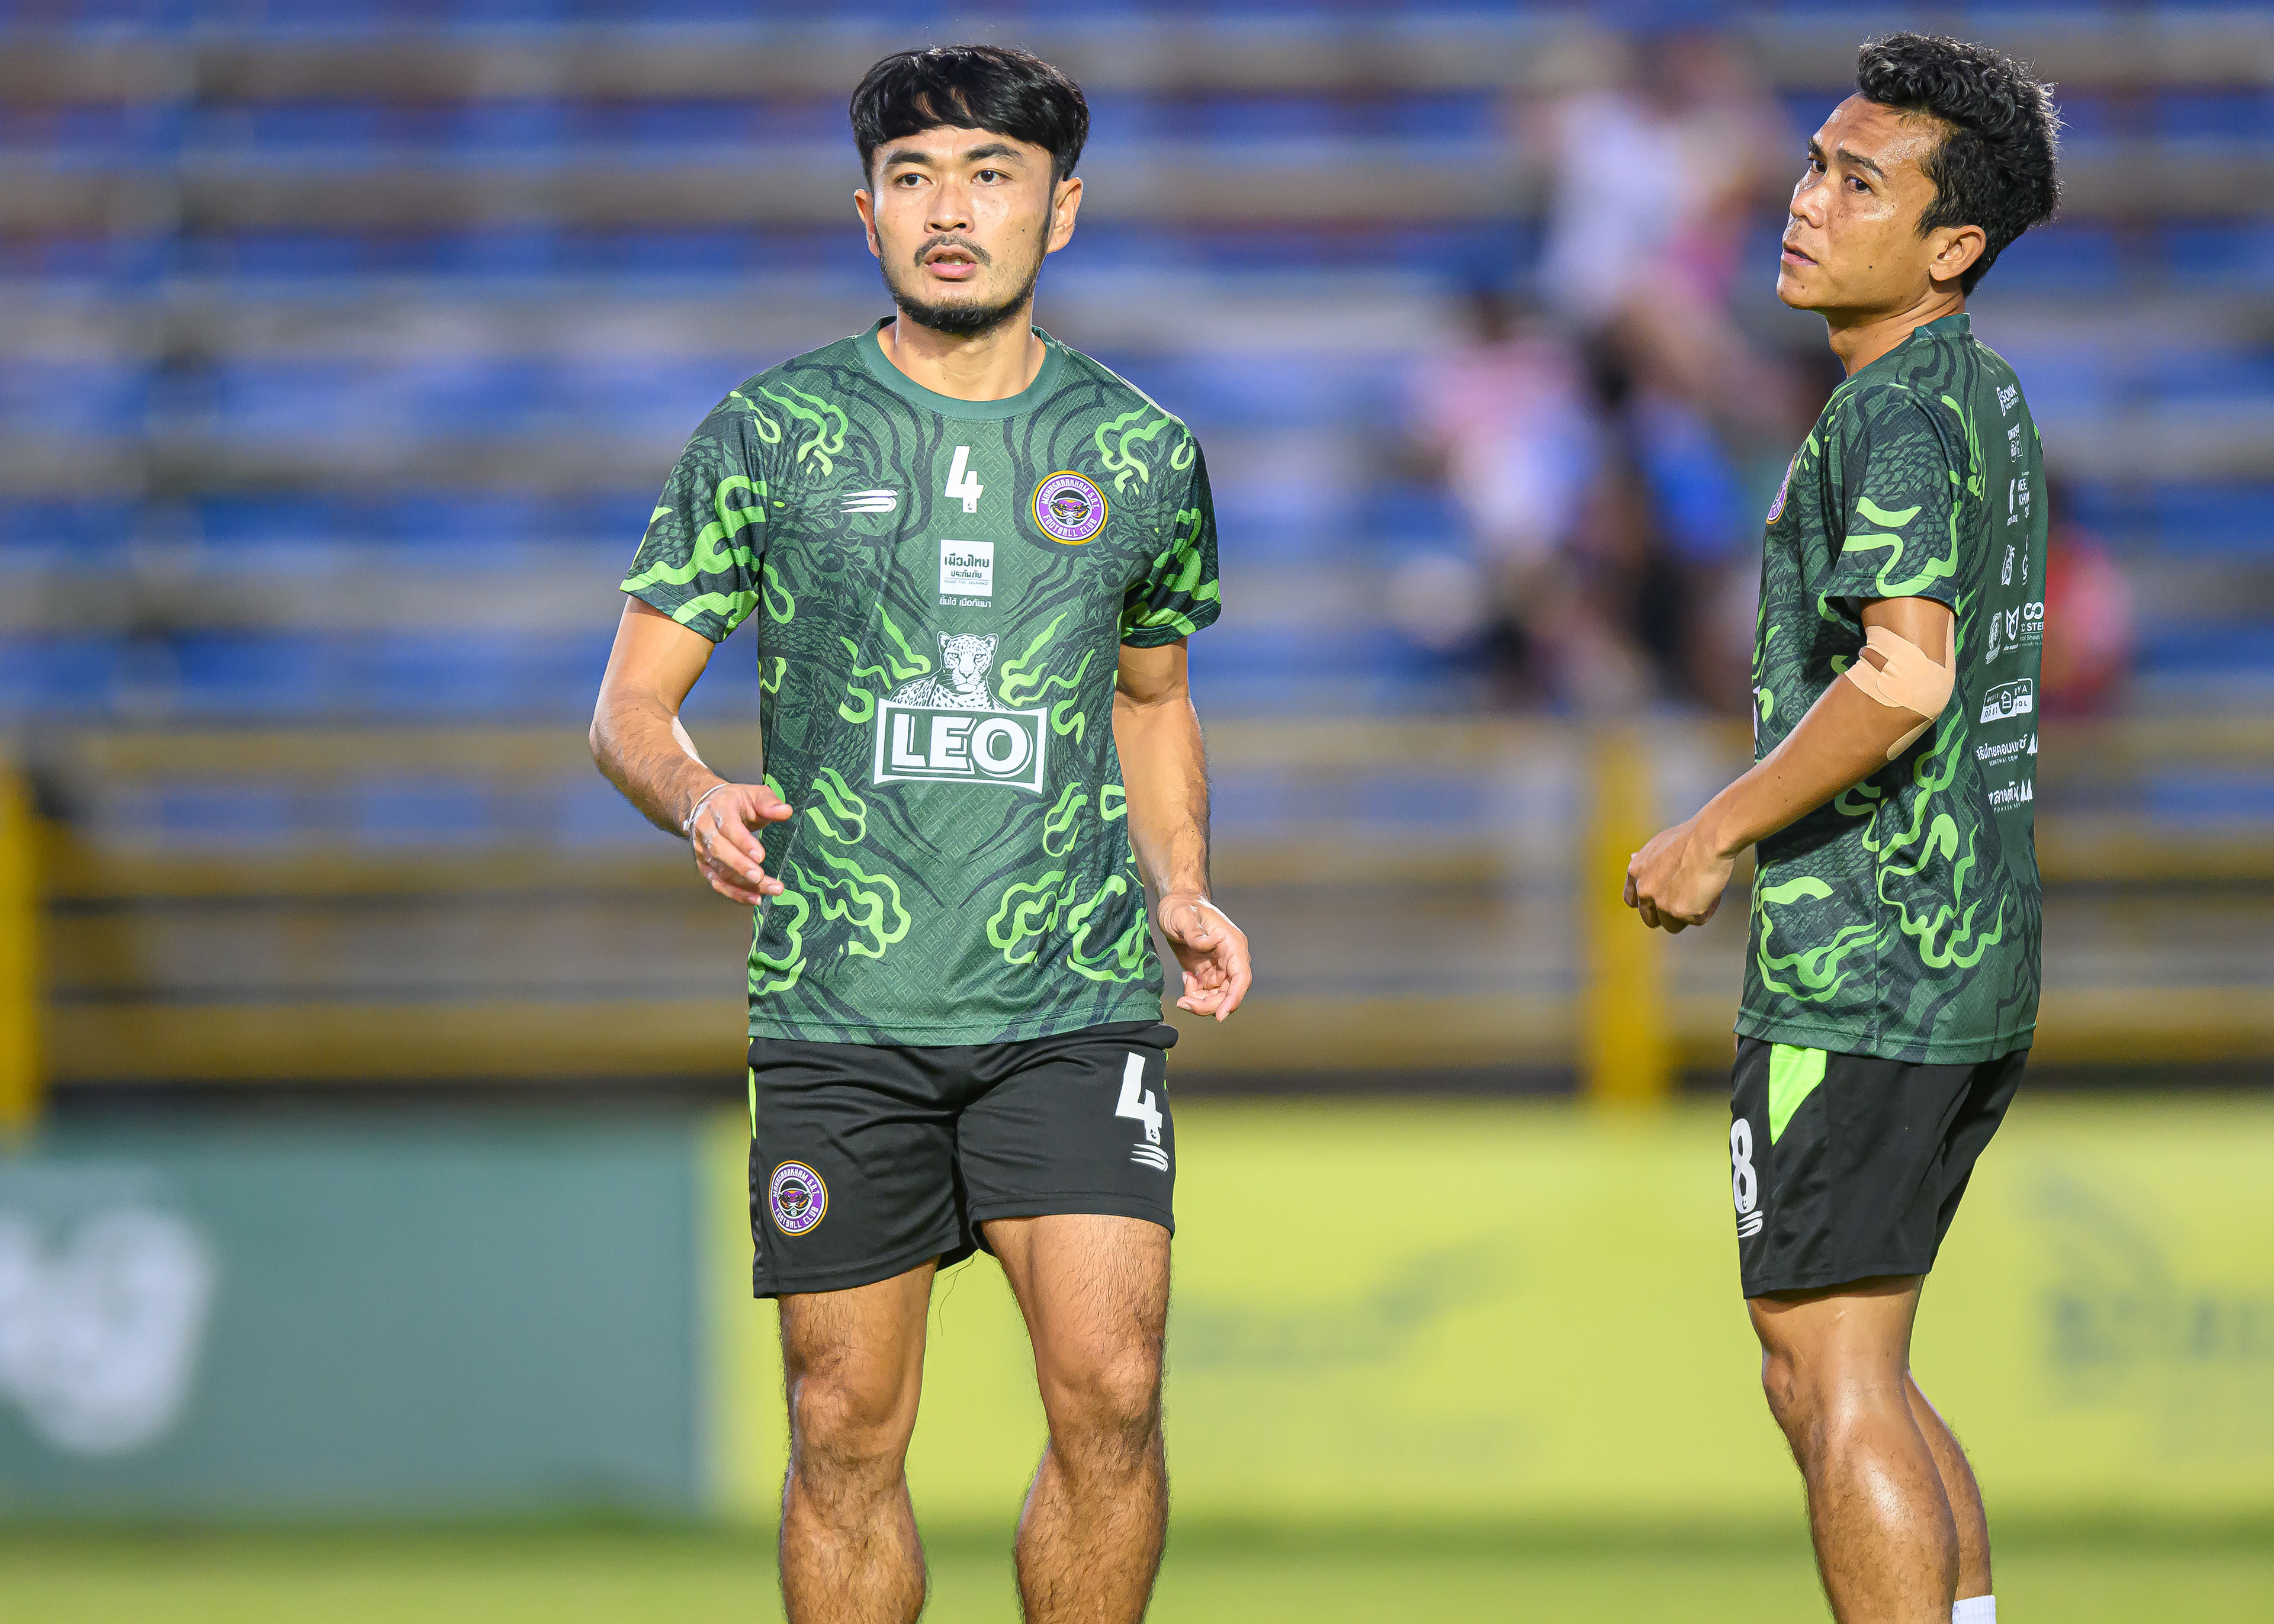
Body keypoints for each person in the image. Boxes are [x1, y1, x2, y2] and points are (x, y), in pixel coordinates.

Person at [587, 46, 1249, 1624]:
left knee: (1113, 1391)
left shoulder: (1141, 451)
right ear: (868, 212)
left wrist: (1183, 884)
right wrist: (696, 795)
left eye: (991, 177)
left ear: (1060, 211)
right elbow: (627, 707)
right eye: (914, 179)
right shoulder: (772, 434)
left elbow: (1153, 698)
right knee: (841, 1429)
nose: (951, 212)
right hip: (843, 1008)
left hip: (1071, 1000)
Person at [1624, 34, 2059, 1624]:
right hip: (1968, 948)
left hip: (1870, 963)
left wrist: (1713, 834)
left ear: (1952, 247)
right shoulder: (1974, 393)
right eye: (1814, 165)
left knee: (1828, 1371)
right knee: (1853, 1364)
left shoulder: (1892, 416)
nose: (1806, 201)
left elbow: (1905, 675)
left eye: (1858, 184)